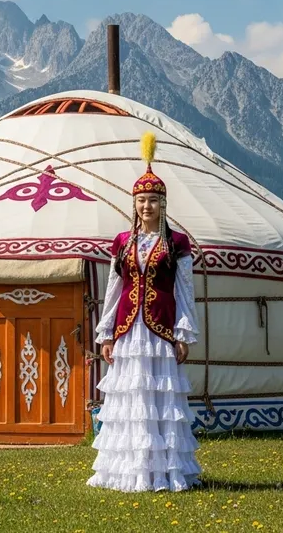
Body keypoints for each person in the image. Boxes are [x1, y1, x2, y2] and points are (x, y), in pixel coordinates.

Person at [87, 131, 202, 493]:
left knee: (158, 401)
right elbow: (114, 288)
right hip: (128, 329)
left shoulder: (177, 243)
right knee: (132, 400)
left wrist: (184, 333)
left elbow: (185, 290)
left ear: (163, 204)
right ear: (134, 203)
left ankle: (164, 473)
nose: (146, 206)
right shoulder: (123, 242)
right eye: (141, 200)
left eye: (152, 200)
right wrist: (106, 333)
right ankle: (127, 472)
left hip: (161, 328)